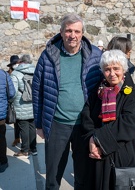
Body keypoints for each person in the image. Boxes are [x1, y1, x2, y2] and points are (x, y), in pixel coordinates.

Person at [32, 13, 102, 190]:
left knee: (83, 171)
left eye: (77, 31)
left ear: (82, 33)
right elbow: (37, 90)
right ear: (61, 32)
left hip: (85, 125)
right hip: (57, 124)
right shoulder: (48, 55)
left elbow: (111, 77)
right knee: (53, 172)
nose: (73, 35)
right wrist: (39, 123)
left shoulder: (95, 54)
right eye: (69, 31)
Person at [81, 50, 135, 190]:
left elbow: (129, 123)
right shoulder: (96, 93)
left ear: (124, 69)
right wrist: (91, 142)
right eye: (107, 69)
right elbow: (87, 119)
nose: (112, 74)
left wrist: (97, 139)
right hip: (98, 158)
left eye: (116, 68)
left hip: (124, 157)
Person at [10, 54, 37, 158]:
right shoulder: (36, 71)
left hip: (21, 104)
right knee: (32, 127)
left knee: (23, 128)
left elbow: (13, 92)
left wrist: (11, 102)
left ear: (20, 62)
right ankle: (33, 149)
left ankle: (25, 150)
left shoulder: (16, 74)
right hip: (33, 104)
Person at [0, 69, 15, 173]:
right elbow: (12, 93)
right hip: (0, 114)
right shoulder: (4, 74)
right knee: (1, 139)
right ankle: (3, 162)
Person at [7, 55, 21, 147]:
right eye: (14, 63)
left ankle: (27, 142)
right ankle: (17, 138)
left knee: (24, 123)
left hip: (22, 100)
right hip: (13, 100)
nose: (16, 65)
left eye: (17, 63)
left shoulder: (22, 71)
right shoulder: (8, 74)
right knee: (16, 122)